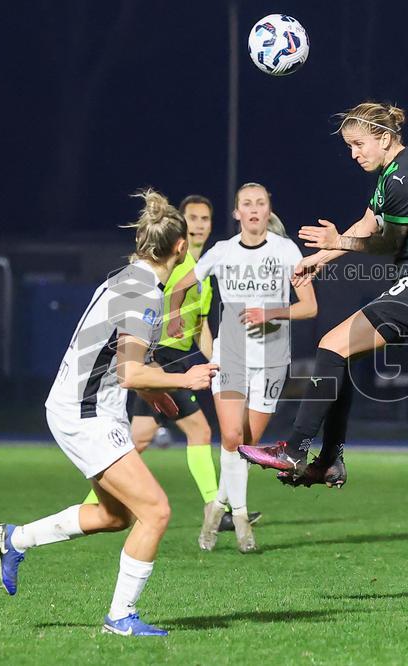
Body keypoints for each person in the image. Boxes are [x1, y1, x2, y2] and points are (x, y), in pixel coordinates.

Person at [0, 190, 217, 637]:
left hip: (85, 407)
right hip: (85, 413)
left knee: (115, 516)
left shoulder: (124, 278)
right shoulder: (146, 295)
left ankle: (16, 539)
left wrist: (158, 398)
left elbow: (120, 362)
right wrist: (184, 380)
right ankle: (121, 617)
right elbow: (131, 372)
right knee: (156, 511)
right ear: (180, 248)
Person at [236, 101, 408, 488]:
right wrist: (323, 258)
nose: (354, 154)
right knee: (337, 353)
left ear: (384, 136)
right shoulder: (406, 162)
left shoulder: (402, 178)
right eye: (349, 146)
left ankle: (296, 450)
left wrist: (337, 241)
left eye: (359, 144)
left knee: (331, 346)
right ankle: (328, 461)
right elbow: (368, 222)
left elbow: (386, 244)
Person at [81, 195, 260, 537]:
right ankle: (214, 506)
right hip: (156, 359)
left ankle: (99, 504)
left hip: (173, 358)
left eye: (205, 218)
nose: (199, 224)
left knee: (141, 438)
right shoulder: (171, 266)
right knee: (197, 432)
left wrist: (219, 361)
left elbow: (200, 329)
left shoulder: (204, 274)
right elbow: (146, 309)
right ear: (181, 228)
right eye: (192, 218)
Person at [167, 182, 317, 552]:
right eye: (246, 204)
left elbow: (309, 307)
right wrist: (173, 316)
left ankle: (217, 506)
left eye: (260, 203)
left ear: (268, 211)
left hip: (271, 359)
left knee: (247, 445)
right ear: (236, 213)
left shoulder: (286, 251)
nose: (253, 209)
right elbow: (179, 285)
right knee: (232, 437)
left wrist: (273, 312)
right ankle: (242, 519)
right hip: (230, 354)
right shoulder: (221, 252)